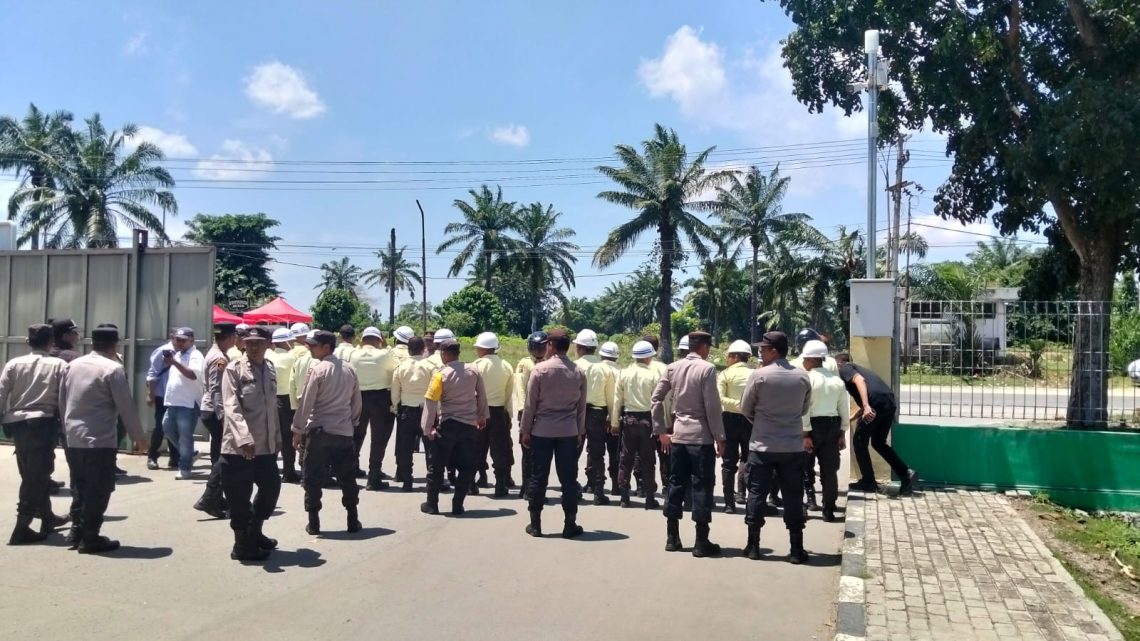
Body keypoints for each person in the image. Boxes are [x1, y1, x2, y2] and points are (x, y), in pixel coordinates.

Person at [59, 324, 145, 553]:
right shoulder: (112, 369)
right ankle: (90, 537)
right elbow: (125, 406)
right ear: (114, 344)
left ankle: (76, 529)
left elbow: (63, 400)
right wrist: (139, 437)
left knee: (80, 484)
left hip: (73, 437)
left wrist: (66, 429)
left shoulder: (73, 365)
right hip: (99, 439)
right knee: (100, 487)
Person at [740, 331, 813, 564]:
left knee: (756, 494)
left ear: (774, 350)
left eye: (763, 348)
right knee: (793, 495)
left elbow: (745, 408)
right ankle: (796, 549)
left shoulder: (759, 375)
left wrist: (762, 421)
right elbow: (803, 409)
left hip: (762, 446)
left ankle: (753, 546)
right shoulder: (802, 377)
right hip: (792, 446)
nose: (760, 351)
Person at [650, 331, 725, 558]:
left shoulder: (673, 368)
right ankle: (701, 542)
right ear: (704, 347)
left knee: (675, 484)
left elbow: (656, 399)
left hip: (679, 436)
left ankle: (672, 537)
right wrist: (720, 437)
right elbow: (712, 407)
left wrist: (660, 430)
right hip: (700, 438)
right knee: (702, 486)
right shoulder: (707, 369)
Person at [1, 324, 70, 544]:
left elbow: (1, 393)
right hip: (43, 423)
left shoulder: (14, 363)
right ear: (51, 343)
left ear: (28, 342)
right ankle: (22, 527)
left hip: (18, 425)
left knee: (31, 473)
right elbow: (64, 398)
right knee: (36, 476)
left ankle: (47, 517)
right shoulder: (59, 364)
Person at [219, 327, 283, 562]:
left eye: (259, 342)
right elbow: (231, 406)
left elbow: (271, 408)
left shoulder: (270, 368)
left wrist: (276, 438)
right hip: (239, 447)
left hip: (264, 446)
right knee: (239, 496)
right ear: (243, 343)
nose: (254, 346)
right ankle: (241, 545)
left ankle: (255, 532)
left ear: (268, 344)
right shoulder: (233, 369)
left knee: (271, 488)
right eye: (249, 342)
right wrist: (244, 438)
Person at [291, 330, 363, 536]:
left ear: (327, 347)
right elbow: (356, 402)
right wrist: (353, 423)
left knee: (313, 479)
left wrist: (297, 430)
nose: (310, 348)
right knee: (347, 478)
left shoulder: (318, 370)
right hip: (343, 433)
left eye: (314, 345)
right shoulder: (349, 370)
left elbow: (306, 403)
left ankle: (313, 523)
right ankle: (352, 519)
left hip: (319, 433)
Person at [520, 329, 587, 539]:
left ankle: (536, 524)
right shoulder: (578, 372)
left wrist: (525, 430)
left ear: (550, 345)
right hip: (568, 431)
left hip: (542, 431)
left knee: (539, 476)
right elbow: (581, 407)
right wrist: (580, 431)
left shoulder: (539, 371)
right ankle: (570, 524)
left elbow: (530, 406)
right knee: (568, 478)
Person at [420, 339, 488, 516]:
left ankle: (432, 504)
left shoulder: (440, 375)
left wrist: (428, 428)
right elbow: (482, 396)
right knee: (466, 467)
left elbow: (431, 401)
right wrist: (482, 416)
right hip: (469, 426)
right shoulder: (474, 371)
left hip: (448, 425)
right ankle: (458, 504)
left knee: (436, 466)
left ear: (444, 354)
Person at [835, 353, 918, 495]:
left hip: (874, 404)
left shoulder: (845, 368)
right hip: (888, 402)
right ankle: (906, 473)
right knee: (878, 442)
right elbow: (872, 394)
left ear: (838, 363)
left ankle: (868, 482)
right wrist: (851, 418)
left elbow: (860, 381)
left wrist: (867, 406)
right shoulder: (858, 369)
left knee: (860, 441)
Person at [800, 340, 848, 522]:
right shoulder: (837, 381)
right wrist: (842, 433)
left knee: (804, 467)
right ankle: (828, 510)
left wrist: (805, 434)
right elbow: (843, 409)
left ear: (812, 360)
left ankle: (805, 505)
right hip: (832, 426)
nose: (803, 362)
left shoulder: (807, 379)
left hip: (811, 426)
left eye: (805, 358)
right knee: (829, 471)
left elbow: (804, 409)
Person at [194, 322, 238, 518]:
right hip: (215, 411)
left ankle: (217, 497)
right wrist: (222, 416)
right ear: (229, 337)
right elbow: (216, 389)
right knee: (226, 457)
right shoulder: (219, 358)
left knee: (218, 454)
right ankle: (209, 497)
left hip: (210, 410)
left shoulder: (214, 353)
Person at [612, 340, 663, 510]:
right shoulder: (654, 375)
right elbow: (657, 403)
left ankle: (624, 497)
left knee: (626, 458)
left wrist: (614, 423)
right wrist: (661, 425)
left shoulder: (623, 373)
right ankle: (649, 498)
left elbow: (617, 400)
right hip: (648, 420)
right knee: (648, 460)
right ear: (648, 357)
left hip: (629, 419)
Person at [573, 329, 616, 505]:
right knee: (597, 452)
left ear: (580, 348)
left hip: (575, 412)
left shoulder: (573, 365)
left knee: (572, 451)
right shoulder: (604, 368)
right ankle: (598, 491)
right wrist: (612, 420)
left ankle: (572, 488)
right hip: (598, 413)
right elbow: (611, 397)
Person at [471, 332, 515, 497]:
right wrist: (508, 415)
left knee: (476, 447)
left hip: (479, 411)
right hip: (498, 412)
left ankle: (475, 482)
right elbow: (508, 395)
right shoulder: (507, 366)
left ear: (482, 349)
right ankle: (500, 484)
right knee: (500, 450)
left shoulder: (476, 365)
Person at [390, 336, 433, 491]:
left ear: (408, 350)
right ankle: (432, 480)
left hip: (407, 411)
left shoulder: (401, 367)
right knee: (430, 447)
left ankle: (407, 480)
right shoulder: (431, 366)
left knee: (405, 447)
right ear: (424, 349)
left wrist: (396, 408)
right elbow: (436, 391)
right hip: (427, 410)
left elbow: (395, 393)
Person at [162, 327, 205, 480]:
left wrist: (174, 363)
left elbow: (193, 374)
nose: (179, 343)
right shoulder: (178, 354)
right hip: (173, 401)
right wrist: (172, 361)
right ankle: (190, 454)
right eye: (177, 339)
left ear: (191, 340)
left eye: (183, 340)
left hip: (188, 403)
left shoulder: (195, 355)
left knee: (185, 437)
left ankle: (185, 468)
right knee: (167, 428)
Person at [349, 326, 389, 486]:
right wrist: (385, 345)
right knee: (378, 438)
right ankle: (374, 476)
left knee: (356, 435)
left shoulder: (353, 354)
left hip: (358, 397)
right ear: (379, 340)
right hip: (380, 398)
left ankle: (351, 470)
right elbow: (395, 368)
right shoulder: (383, 354)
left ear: (361, 340)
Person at [718, 340, 753, 514]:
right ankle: (745, 497)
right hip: (751, 421)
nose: (727, 359)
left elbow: (719, 398)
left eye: (729, 356)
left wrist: (736, 405)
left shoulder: (725, 374)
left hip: (729, 420)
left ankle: (729, 504)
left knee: (728, 463)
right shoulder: (755, 374)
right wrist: (746, 407)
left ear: (735, 356)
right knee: (749, 460)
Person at [513, 331, 548, 500]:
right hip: (527, 411)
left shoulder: (550, 362)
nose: (538, 351)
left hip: (544, 413)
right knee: (527, 452)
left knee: (542, 454)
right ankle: (526, 487)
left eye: (541, 347)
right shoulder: (525, 364)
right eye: (535, 347)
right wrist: (522, 409)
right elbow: (520, 387)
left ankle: (538, 489)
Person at [267, 328, 300, 482]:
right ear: (285, 341)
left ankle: (267, 469)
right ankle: (288, 471)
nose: (293, 343)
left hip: (267, 399)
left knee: (269, 435)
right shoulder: (291, 358)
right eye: (291, 340)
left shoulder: (266, 355)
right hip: (286, 400)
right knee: (287, 437)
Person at [145, 330, 180, 470]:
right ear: (172, 338)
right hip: (162, 394)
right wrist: (150, 394)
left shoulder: (185, 352)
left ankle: (174, 458)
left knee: (175, 426)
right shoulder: (162, 351)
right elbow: (153, 373)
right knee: (160, 426)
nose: (180, 341)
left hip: (177, 395)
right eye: (178, 338)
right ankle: (152, 456)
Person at [598, 341, 623, 497]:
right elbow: (617, 400)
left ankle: (596, 486)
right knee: (615, 452)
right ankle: (616, 485)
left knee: (595, 452)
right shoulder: (621, 371)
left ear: (601, 354)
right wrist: (614, 420)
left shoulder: (595, 369)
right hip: (616, 416)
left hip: (596, 414)